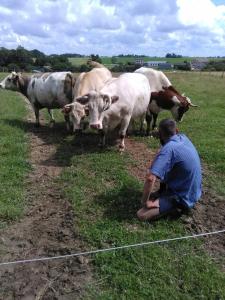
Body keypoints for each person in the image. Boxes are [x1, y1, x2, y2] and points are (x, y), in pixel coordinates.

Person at [137, 118, 202, 221]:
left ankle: (176, 208)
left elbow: (150, 179)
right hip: (194, 191)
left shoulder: (168, 150)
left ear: (160, 134)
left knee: (141, 214)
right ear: (176, 130)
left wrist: (145, 202)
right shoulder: (183, 138)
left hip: (182, 197)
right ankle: (163, 193)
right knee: (163, 162)